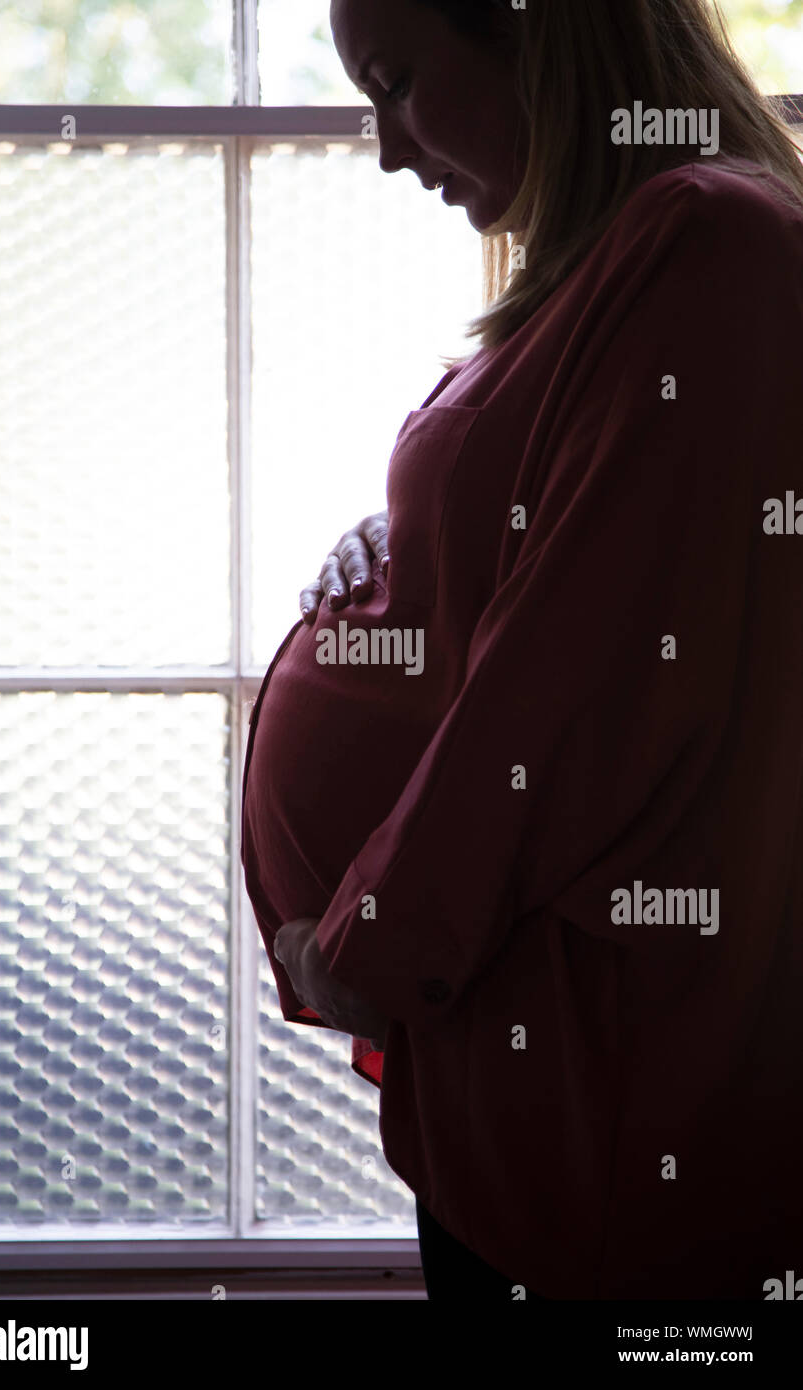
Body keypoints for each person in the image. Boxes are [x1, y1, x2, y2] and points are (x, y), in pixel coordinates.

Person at [240, 0, 803, 1300]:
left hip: (609, 1126)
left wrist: (366, 943)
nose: (385, 148)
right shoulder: (629, 261)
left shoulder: (705, 242)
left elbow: (569, 698)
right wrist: (402, 545)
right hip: (530, 1090)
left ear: (529, 29)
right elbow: (582, 570)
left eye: (395, 81)